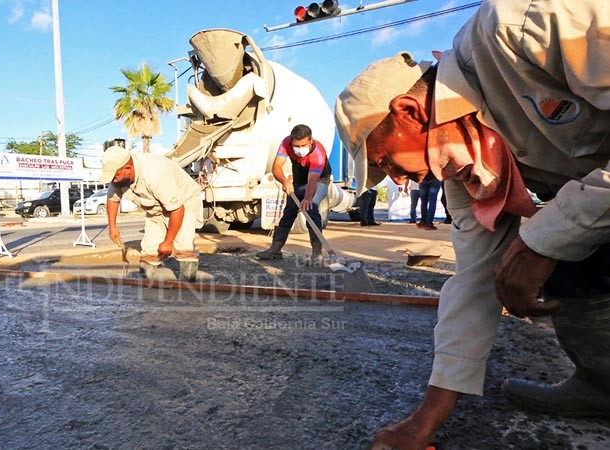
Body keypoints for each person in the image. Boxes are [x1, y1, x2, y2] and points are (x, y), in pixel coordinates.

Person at [335, 1, 610, 447]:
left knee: (552, 239)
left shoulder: (522, 26)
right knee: (561, 251)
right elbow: (473, 282)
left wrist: (543, 240)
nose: (401, 182)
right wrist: (425, 420)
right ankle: (603, 384)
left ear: (409, 111)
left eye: (389, 162)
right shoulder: (465, 170)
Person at [101, 145, 203, 281]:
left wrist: (168, 241)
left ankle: (187, 288)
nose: (113, 180)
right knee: (150, 247)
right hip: (156, 208)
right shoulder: (119, 178)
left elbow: (178, 210)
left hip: (185, 201)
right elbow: (113, 199)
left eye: (115, 176)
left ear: (127, 169)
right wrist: (112, 227)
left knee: (183, 244)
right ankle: (146, 285)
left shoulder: (155, 173)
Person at [256, 124, 332, 262]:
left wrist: (308, 198)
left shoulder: (317, 154)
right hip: (299, 180)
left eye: (303, 146)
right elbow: (276, 167)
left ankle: (317, 253)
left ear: (311, 140)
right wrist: (285, 181)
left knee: (311, 209)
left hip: (319, 180)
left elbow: (313, 179)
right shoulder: (286, 143)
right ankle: (276, 249)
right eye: (296, 146)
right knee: (289, 211)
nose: (299, 150)